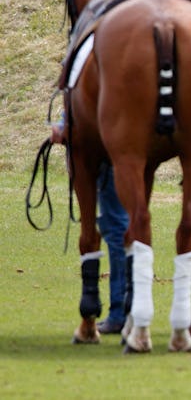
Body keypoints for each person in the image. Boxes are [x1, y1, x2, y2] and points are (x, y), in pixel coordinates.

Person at [51, 122, 129, 334]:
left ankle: (120, 313)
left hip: (103, 144)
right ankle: (125, 309)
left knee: (116, 227)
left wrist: (63, 124)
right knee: (119, 226)